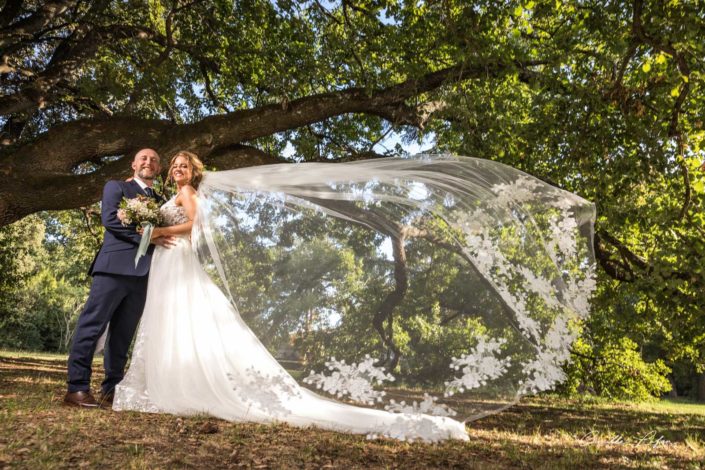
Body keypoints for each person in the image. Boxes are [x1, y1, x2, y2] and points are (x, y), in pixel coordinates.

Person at [114, 151, 595, 442]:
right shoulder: (160, 197)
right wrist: (153, 227)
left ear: (191, 172)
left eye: (181, 165)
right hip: (168, 262)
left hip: (174, 257)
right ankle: (166, 378)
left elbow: (192, 226)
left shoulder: (191, 196)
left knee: (187, 319)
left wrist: (156, 233)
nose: (175, 169)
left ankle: (181, 385)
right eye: (171, 165)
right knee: (172, 320)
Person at [64, 149, 174, 408]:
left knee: (123, 335)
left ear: (159, 169)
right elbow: (111, 221)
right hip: (113, 268)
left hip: (145, 274)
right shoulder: (116, 188)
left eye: (154, 160)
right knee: (92, 326)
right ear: (133, 164)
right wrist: (150, 239)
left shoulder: (161, 200)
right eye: (144, 158)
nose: (149, 162)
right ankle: (76, 387)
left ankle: (111, 388)